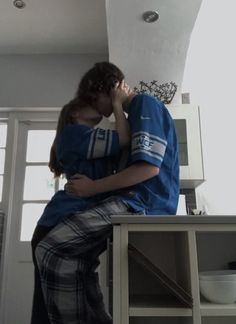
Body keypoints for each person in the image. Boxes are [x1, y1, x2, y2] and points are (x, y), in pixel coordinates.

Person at [35, 62, 180, 324]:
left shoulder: (143, 104)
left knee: (51, 249)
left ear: (108, 89)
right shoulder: (130, 115)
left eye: (93, 97)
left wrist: (93, 187)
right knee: (77, 261)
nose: (95, 105)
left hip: (141, 202)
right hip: (132, 201)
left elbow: (148, 169)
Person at [31, 68, 132, 324]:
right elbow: (122, 139)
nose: (93, 104)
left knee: (80, 297)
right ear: (75, 113)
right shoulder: (75, 134)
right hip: (58, 223)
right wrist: (119, 104)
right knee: (50, 308)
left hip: (63, 221)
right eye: (86, 103)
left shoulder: (88, 137)